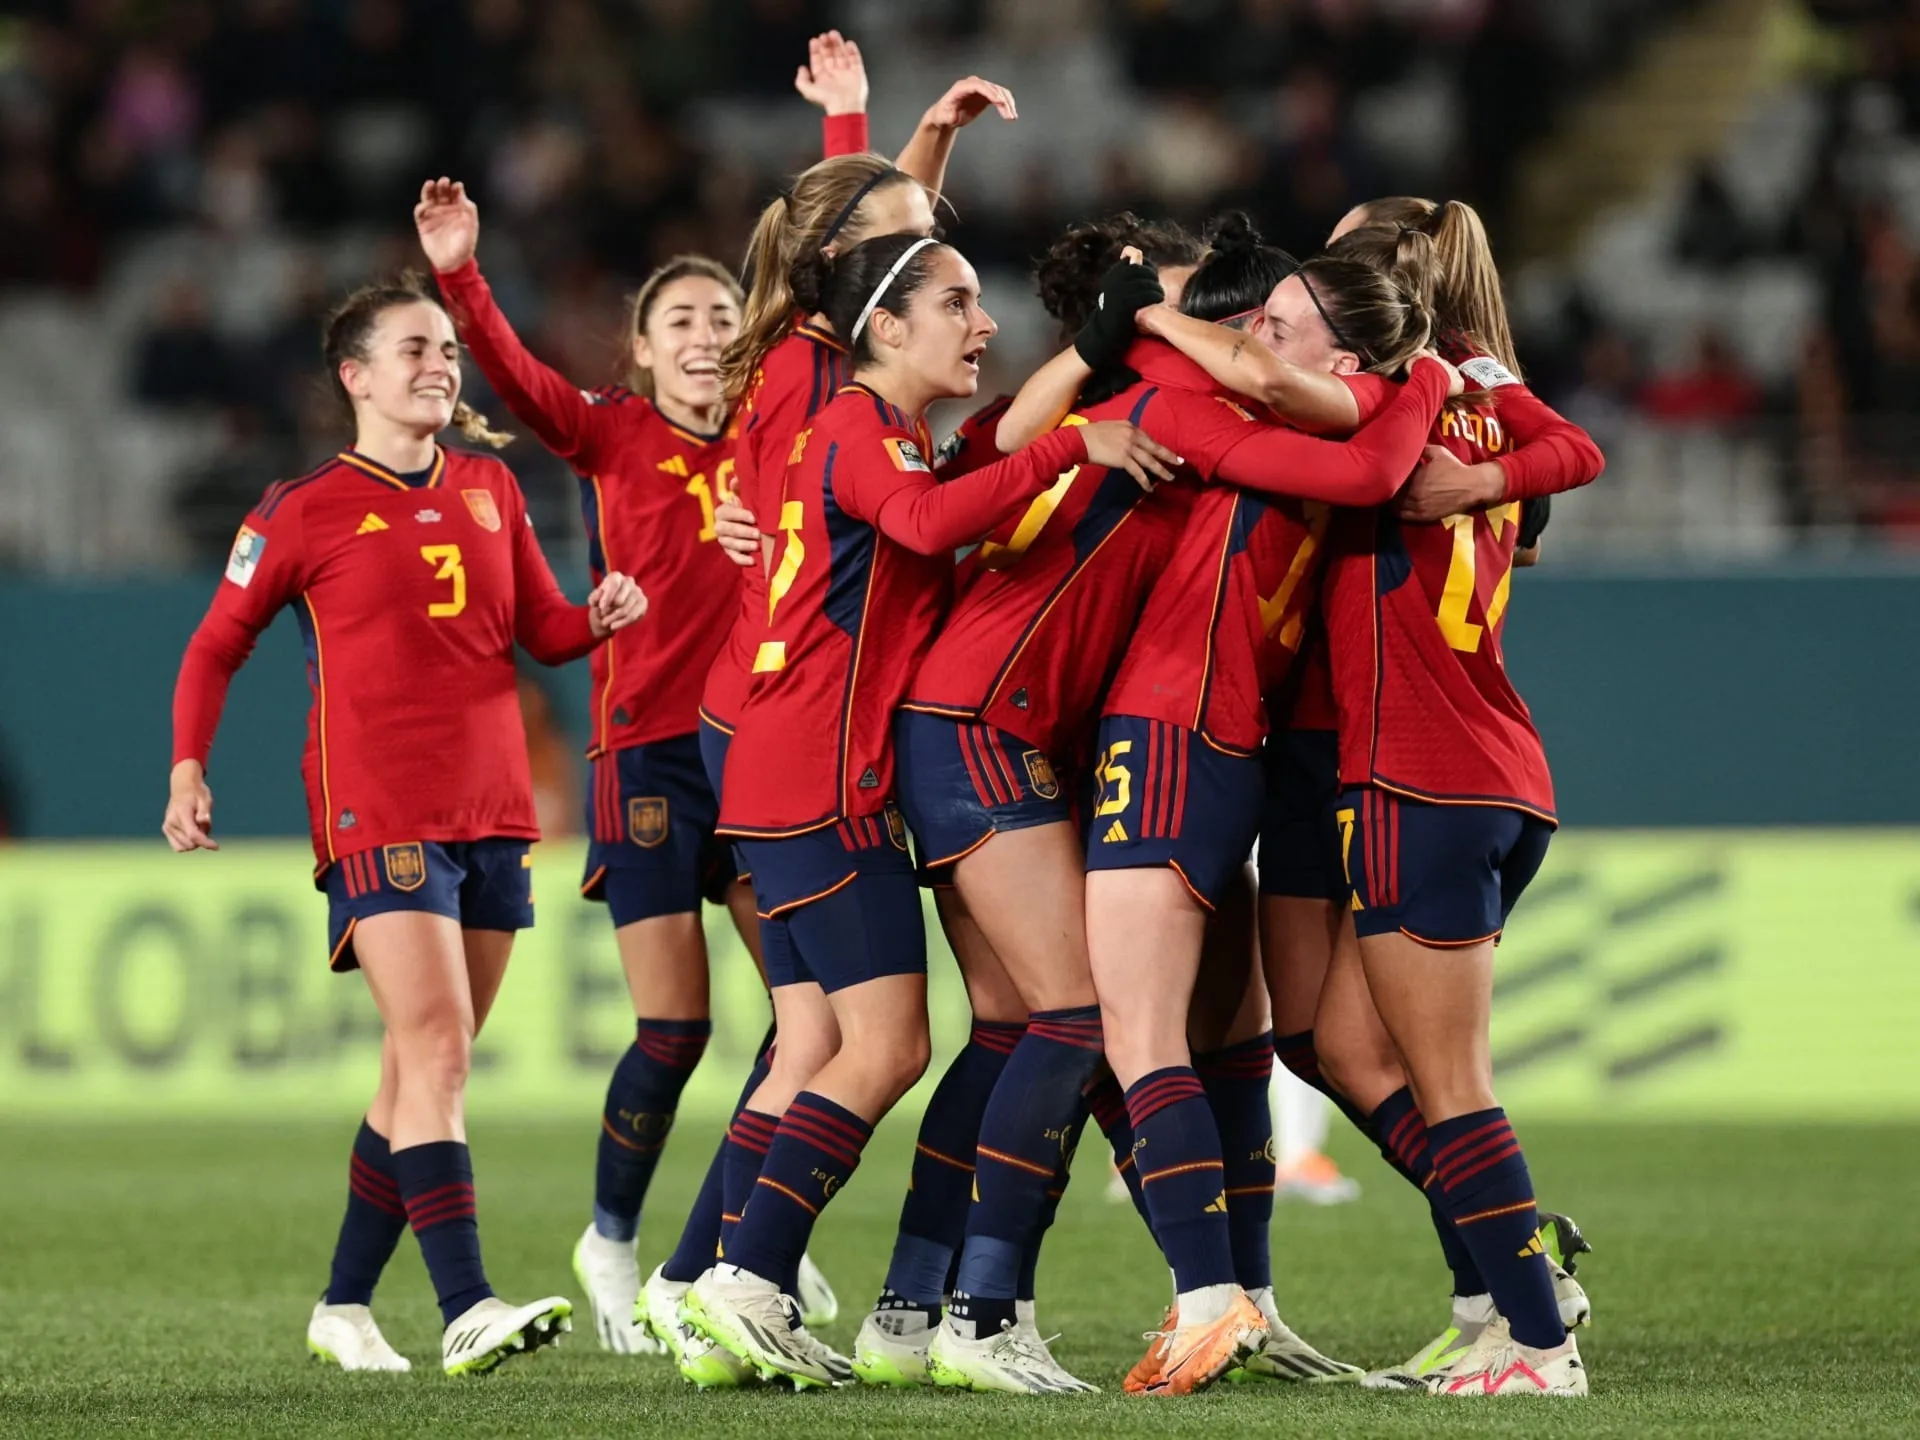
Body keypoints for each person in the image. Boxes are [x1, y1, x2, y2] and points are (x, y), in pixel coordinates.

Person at [410, 29, 881, 1357]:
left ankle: (720, 1252)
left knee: (811, 1020)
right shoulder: (605, 429)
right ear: (640, 347)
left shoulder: (774, 425)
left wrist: (847, 129)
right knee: (674, 1026)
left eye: (722, 318)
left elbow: (830, 281)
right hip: (649, 755)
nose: (706, 333)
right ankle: (612, 1239)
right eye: (680, 319)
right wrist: (464, 281)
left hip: (765, 748)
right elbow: (510, 376)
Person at [678, 232, 1177, 1389]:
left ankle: (764, 1287)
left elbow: (955, 479)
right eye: (956, 303)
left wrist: (1075, 377)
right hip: (815, 780)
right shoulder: (857, 428)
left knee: (854, 1043)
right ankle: (743, 1280)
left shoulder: (886, 434)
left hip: (795, 776)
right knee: (889, 1044)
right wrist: (1078, 439)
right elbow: (919, 524)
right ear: (886, 328)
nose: (980, 321)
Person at [163, 276, 647, 1377]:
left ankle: (342, 1305)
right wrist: (189, 765)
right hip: (375, 802)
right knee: (435, 1052)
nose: (441, 363)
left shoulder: (492, 489)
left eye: (446, 349)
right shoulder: (299, 508)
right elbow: (212, 645)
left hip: (492, 806)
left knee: (416, 1068)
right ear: (357, 377)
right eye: (416, 348)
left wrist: (598, 618)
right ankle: (465, 1302)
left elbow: (540, 632)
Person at [642, 66, 1023, 1384]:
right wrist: (1050, 449)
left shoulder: (799, 375)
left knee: (814, 1039)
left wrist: (888, 140)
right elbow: (864, 263)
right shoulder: (835, 402)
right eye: (936, 279)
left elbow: (855, 249)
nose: (964, 301)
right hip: (802, 745)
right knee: (880, 1042)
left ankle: (711, 1278)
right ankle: (736, 1272)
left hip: (760, 735)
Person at [1087, 220, 1460, 1396]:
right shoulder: (1332, 424)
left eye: (1267, 322)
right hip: (1237, 741)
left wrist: (1137, 315)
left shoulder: (1212, 413)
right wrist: (1434, 375)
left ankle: (1200, 1299)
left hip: (1160, 727)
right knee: (1240, 1040)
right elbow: (1382, 460)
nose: (1248, 335)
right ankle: (1253, 1301)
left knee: (1129, 1035)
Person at [848, 211, 1204, 1395]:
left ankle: (910, 1306)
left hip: (961, 727)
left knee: (1006, 1030)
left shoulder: (1044, 419)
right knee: (1076, 1015)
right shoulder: (1136, 419)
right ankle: (986, 1312)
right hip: (981, 727)